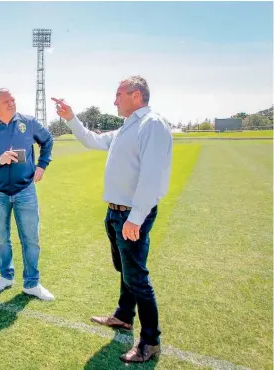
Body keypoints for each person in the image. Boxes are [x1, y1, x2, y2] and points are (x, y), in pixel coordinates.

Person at [52, 75, 172, 363]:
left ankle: (150, 341)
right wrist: (71, 118)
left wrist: (136, 218)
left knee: (137, 277)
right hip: (116, 212)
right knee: (126, 270)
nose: (114, 100)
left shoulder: (151, 124)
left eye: (119, 94)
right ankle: (123, 316)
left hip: (132, 214)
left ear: (136, 95)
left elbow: (152, 175)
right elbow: (92, 140)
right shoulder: (127, 128)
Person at [0, 88, 55, 301]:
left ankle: (32, 283)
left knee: (31, 239)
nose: (11, 103)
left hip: (25, 189)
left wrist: (42, 165)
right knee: (1, 239)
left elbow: (48, 141)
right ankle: (6, 276)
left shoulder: (29, 123)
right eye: (6, 101)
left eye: (13, 99)